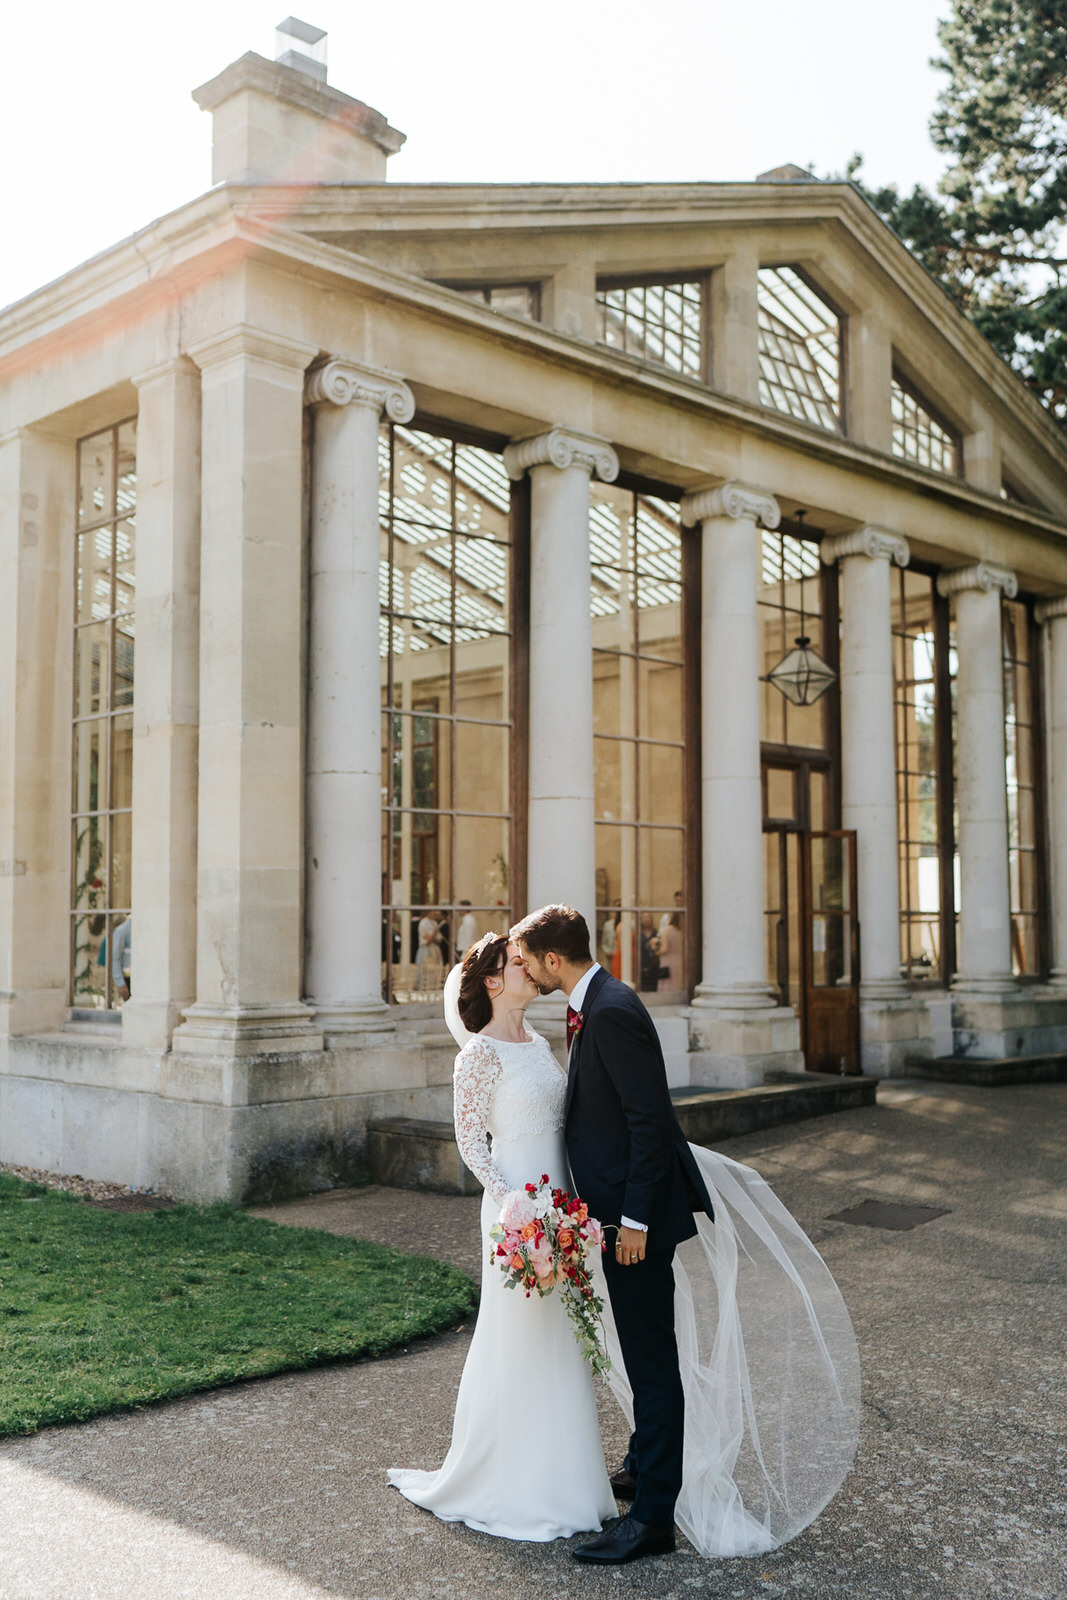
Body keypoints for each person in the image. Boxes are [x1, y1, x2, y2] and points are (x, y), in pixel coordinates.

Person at [510, 903, 861, 1564]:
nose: (524, 970)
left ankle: (650, 1520)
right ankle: (645, 1465)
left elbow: (649, 1122)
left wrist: (635, 1221)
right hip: (615, 1212)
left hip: (632, 1220)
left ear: (552, 958)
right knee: (644, 1350)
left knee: (650, 1363)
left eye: (527, 959)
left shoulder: (610, 1010)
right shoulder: (593, 1002)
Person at [388, 933, 617, 1540]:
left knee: (562, 1340)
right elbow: (470, 1144)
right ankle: (509, 1483)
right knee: (516, 1339)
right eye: (517, 964)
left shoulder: (541, 1044)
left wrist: (571, 1207)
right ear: (492, 981)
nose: (529, 969)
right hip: (514, 1214)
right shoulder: (478, 1056)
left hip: (560, 1207)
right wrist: (512, 1202)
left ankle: (568, 1481)